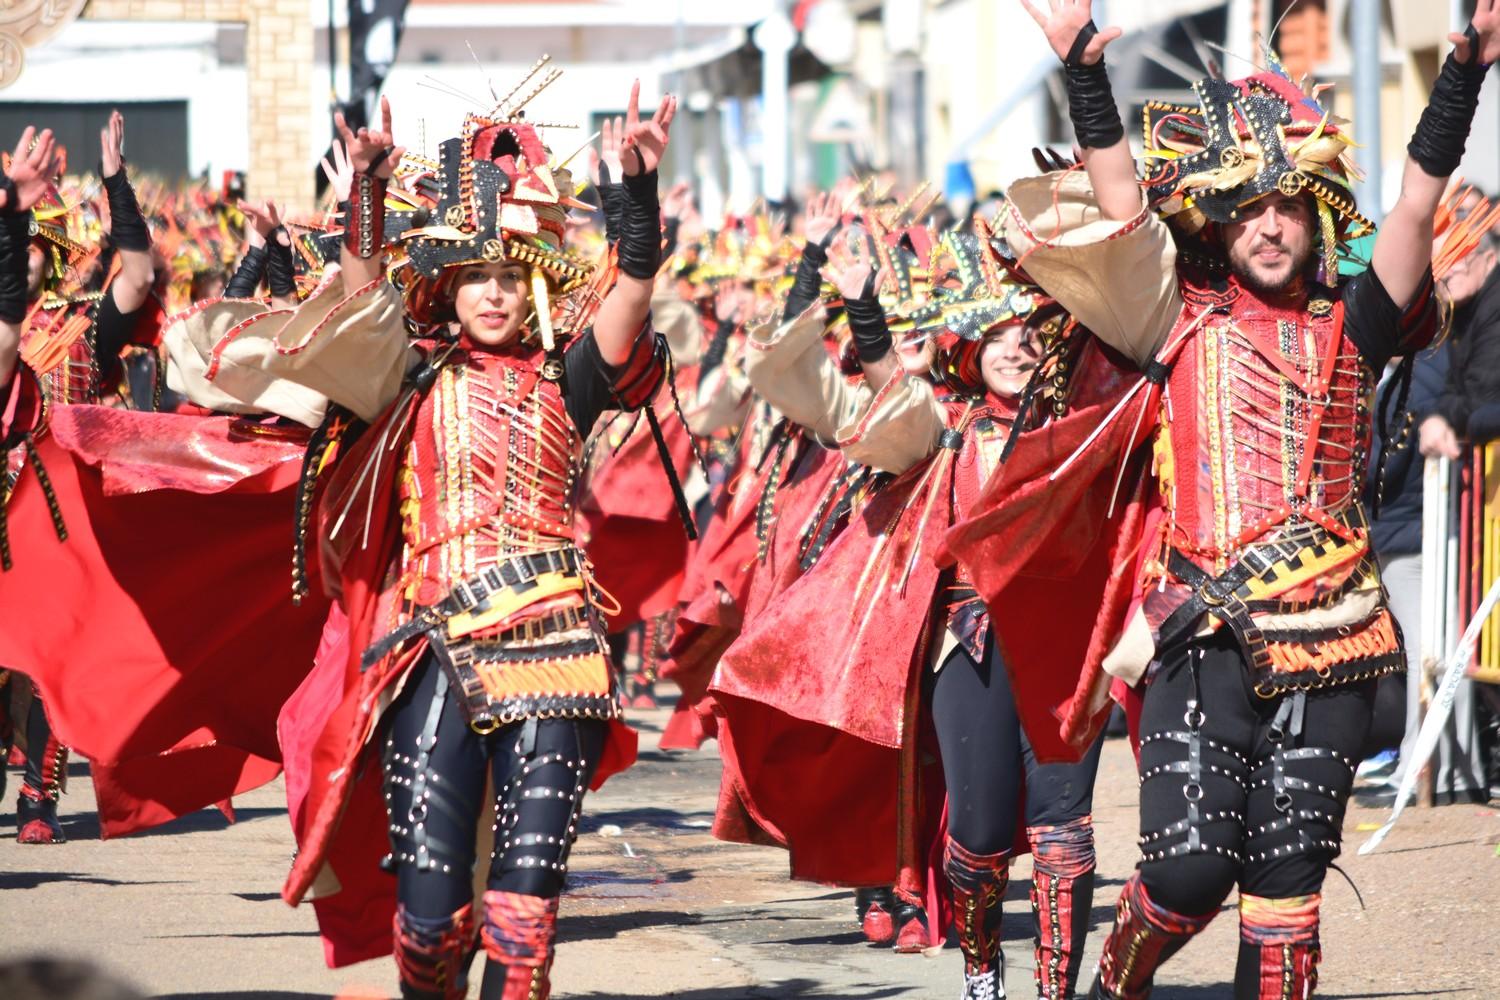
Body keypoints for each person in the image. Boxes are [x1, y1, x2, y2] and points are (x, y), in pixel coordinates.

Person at [994, 0, 1485, 994]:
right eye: (1250, 206)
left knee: (1285, 895)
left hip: (1337, 642)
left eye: (1289, 205)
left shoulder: (1359, 324)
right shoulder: (1175, 317)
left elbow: (1410, 211)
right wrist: (1088, 78)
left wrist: (1464, 71)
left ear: (1315, 220)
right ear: (1220, 219)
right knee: (1185, 873)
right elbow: (1125, 211)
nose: (1269, 224)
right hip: (1201, 635)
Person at [169, 82, 676, 998]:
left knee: (525, 931)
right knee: (432, 927)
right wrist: (365, 189)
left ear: (533, 290)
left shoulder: (573, 381)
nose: (493, 292)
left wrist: (635, 200)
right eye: (476, 275)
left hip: (557, 652)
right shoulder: (409, 375)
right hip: (436, 643)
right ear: (447, 284)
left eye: (510, 277)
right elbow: (362, 306)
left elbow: (631, 291)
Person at [1, 112, 157, 844]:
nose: (26, 260)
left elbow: (139, 274)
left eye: (37, 249)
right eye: (16, 247)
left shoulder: (85, 326)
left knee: (46, 660)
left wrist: (115, 183)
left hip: (58, 514)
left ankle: (39, 793)